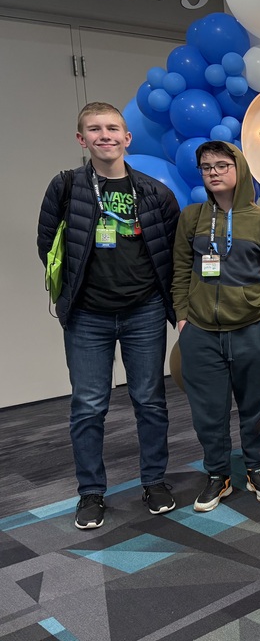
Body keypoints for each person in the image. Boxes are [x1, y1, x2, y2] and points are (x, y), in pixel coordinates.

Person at [36, 102, 180, 530]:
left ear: (127, 138)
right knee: (87, 407)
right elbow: (49, 245)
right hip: (87, 317)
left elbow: (173, 253)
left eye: (113, 128)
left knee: (150, 402)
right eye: (94, 129)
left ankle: (154, 481)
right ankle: (91, 493)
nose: (105, 136)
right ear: (82, 139)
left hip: (145, 312)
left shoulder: (155, 192)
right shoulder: (65, 187)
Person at [172, 141, 260, 512]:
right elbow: (179, 270)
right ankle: (217, 475)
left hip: (252, 331)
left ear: (238, 168)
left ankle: (256, 467)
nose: (213, 171)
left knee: (254, 409)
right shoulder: (191, 217)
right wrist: (182, 317)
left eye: (222, 165)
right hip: (201, 334)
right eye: (206, 166)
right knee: (208, 412)